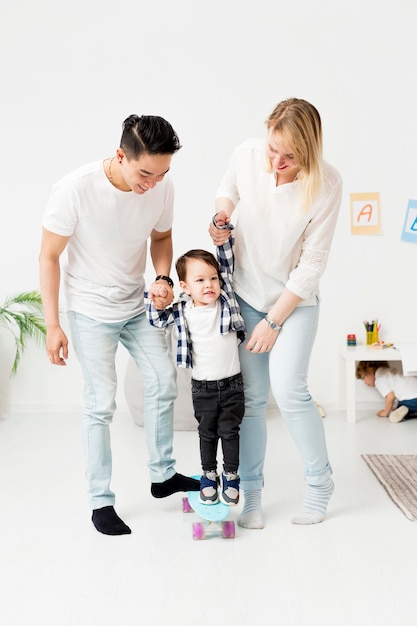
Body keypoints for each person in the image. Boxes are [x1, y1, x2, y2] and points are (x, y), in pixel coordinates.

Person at [39, 114, 200, 536]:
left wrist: (163, 278)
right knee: (101, 403)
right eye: (145, 173)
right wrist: (52, 324)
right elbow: (48, 256)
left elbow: (161, 239)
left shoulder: (161, 185)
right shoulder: (74, 189)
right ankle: (101, 502)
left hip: (135, 303)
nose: (152, 183)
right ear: (120, 156)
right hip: (90, 309)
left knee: (164, 381)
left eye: (162, 174)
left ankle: (163, 476)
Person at [208, 97, 343, 528]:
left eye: (290, 156)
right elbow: (228, 186)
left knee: (289, 391)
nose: (277, 162)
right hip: (246, 292)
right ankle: (251, 497)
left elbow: (313, 265)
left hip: (295, 301)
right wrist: (221, 215)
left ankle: (320, 484)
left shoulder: (327, 185)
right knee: (251, 400)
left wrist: (273, 321)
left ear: (309, 151)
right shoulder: (249, 154)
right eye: (273, 149)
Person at [145, 224, 246, 505]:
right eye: (200, 280)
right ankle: (208, 475)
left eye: (212, 278)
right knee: (207, 432)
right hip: (202, 387)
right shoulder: (181, 310)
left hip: (232, 384)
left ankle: (232, 474)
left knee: (230, 431)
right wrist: (157, 299)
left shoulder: (226, 301)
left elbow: (225, 262)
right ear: (186, 287)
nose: (209, 285)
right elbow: (156, 319)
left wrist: (223, 233)